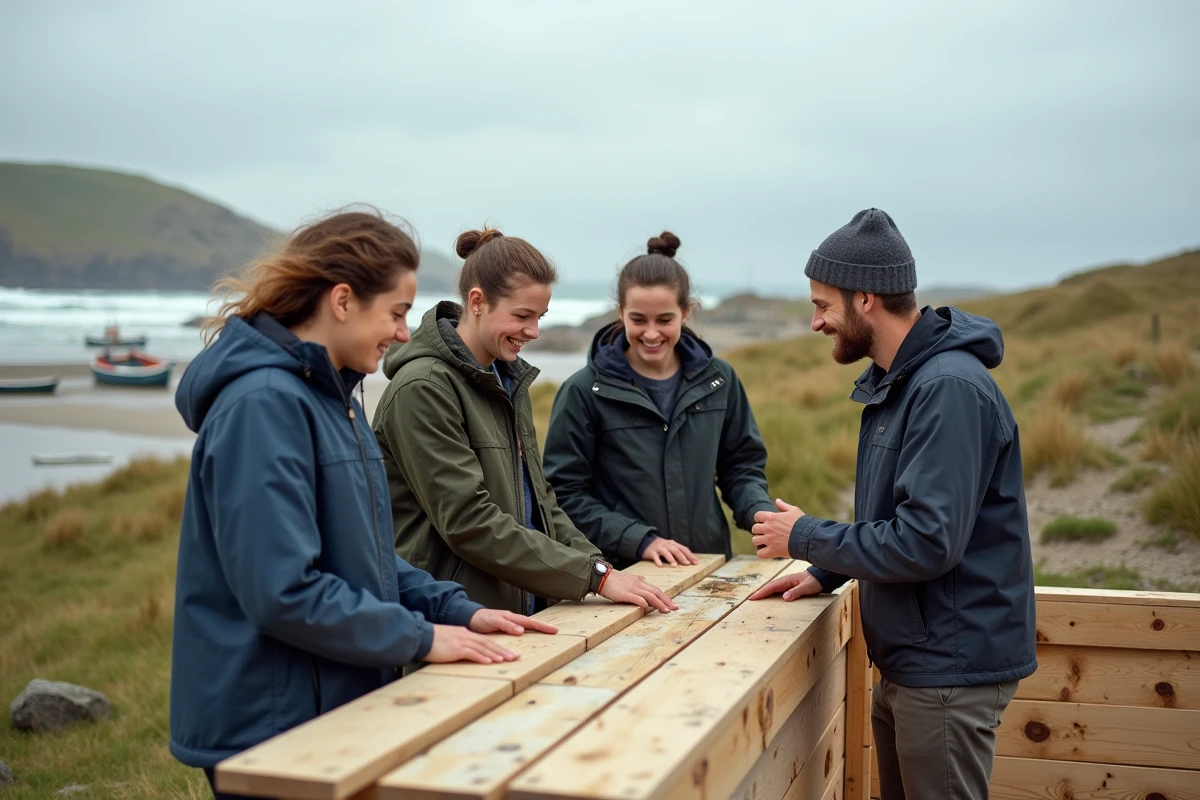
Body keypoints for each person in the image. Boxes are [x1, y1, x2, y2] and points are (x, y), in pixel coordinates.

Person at [169, 210, 553, 800]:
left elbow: (364, 555)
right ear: (343, 300)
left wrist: (454, 609)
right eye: (397, 313)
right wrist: (420, 638)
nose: (404, 332)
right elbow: (283, 591)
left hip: (332, 700)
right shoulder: (264, 407)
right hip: (270, 720)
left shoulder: (335, 397)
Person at [749, 209, 1036, 800]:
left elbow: (928, 541)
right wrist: (824, 571)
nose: (814, 322)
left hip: (947, 668)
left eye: (823, 305)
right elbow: (897, 518)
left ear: (866, 299)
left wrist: (802, 535)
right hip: (918, 659)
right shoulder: (901, 383)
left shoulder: (947, 389)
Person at [373, 227, 676, 618]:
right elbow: (469, 522)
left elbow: (542, 503)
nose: (533, 332)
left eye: (540, 317)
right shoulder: (423, 388)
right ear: (477, 301)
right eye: (522, 316)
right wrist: (593, 577)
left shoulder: (507, 380)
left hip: (523, 614)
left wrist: (597, 566)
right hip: (453, 620)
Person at [543, 232, 775, 567]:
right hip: (624, 577)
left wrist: (760, 513)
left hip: (708, 567)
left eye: (664, 320)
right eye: (638, 319)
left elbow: (741, 467)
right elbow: (562, 496)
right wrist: (639, 540)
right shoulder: (582, 392)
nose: (651, 334)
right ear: (621, 312)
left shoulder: (720, 380)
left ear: (686, 312)